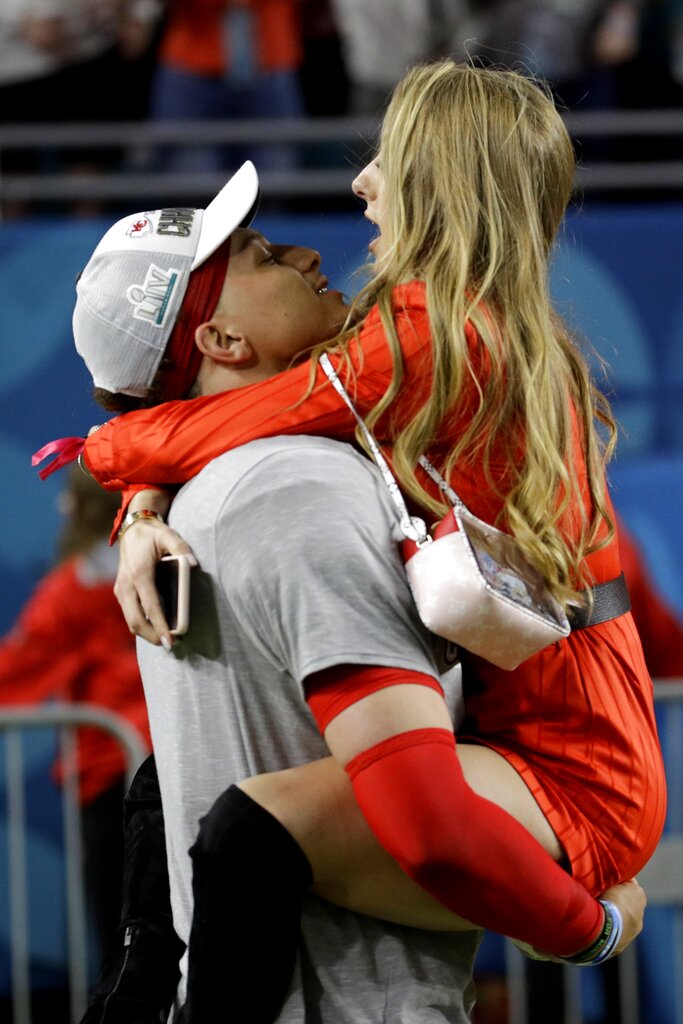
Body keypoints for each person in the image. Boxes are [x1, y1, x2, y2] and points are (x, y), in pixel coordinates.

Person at [42, 61, 655, 1011]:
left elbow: (221, 419)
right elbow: (231, 419)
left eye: (385, 161)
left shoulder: (429, 343)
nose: (360, 183)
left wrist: (112, 459)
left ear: (441, 186)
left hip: (571, 770)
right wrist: (145, 507)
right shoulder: (421, 332)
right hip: (544, 740)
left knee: (247, 826)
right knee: (178, 790)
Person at [0, 466, 151, 951]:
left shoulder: (72, 592)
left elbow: (18, 668)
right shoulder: (170, 567)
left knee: (122, 924)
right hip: (172, 761)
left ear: (79, 507)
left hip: (112, 772)